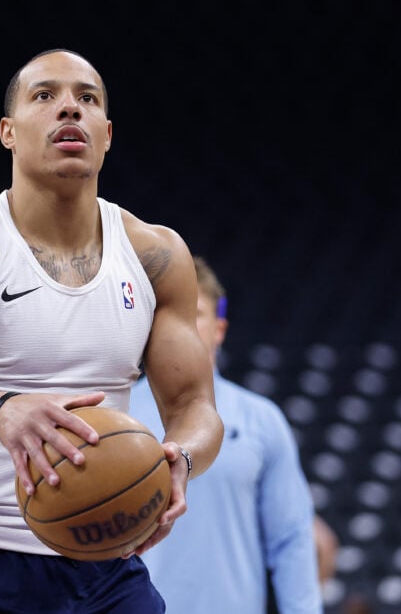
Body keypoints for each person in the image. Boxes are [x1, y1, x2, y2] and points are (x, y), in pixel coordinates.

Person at [0, 48, 224, 613]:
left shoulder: (156, 254)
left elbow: (195, 405)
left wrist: (179, 458)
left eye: (87, 99)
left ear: (106, 134)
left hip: (107, 559)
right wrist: (2, 410)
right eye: (45, 96)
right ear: (8, 132)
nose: (70, 110)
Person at [130, 256, 324, 613]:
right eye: (171, 314)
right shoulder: (116, 416)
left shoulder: (262, 420)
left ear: (219, 329)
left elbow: (292, 539)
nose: (182, 326)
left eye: (196, 312)